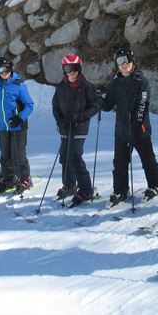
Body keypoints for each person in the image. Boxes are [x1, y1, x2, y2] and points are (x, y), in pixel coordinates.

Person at [100, 48, 158, 206]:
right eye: (120, 61)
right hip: (121, 130)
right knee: (119, 162)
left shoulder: (141, 81)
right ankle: (120, 190)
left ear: (132, 61)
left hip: (139, 129)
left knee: (147, 159)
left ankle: (155, 185)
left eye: (127, 60)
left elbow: (143, 103)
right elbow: (108, 104)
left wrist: (137, 120)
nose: (124, 64)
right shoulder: (115, 83)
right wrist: (97, 100)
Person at [51, 54, 99, 206]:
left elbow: (96, 106)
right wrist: (60, 122)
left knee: (74, 157)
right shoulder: (61, 86)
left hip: (79, 127)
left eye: (74, 69)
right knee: (64, 156)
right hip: (65, 128)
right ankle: (70, 185)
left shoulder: (86, 86)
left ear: (79, 68)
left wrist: (80, 117)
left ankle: (86, 189)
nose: (71, 72)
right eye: (67, 69)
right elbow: (55, 106)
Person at [0, 57, 35, 195]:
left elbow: (29, 105)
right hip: (3, 127)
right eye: (1, 70)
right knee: (5, 155)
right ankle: (9, 178)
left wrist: (20, 118)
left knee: (18, 155)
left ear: (11, 69)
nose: (4, 72)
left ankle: (25, 178)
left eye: (7, 69)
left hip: (18, 126)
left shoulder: (18, 84)